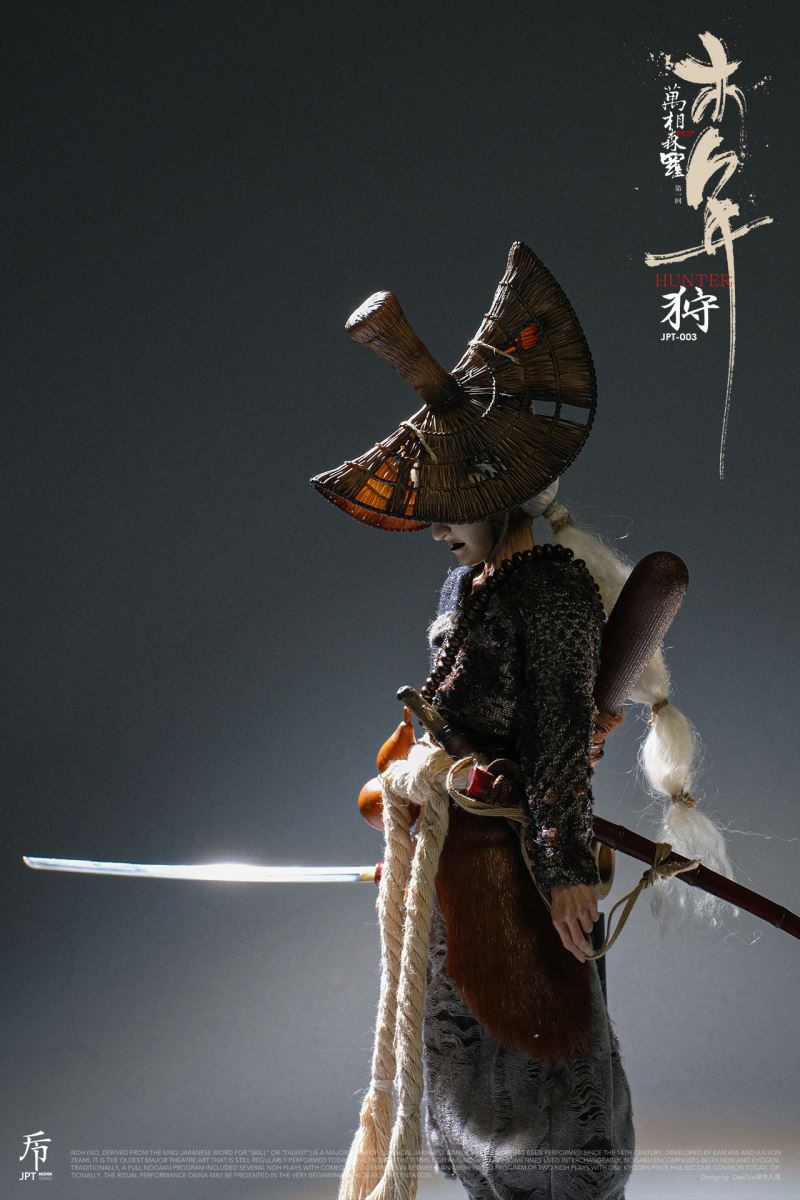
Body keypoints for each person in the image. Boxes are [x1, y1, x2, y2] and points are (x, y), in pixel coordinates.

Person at [311, 242, 728, 1200]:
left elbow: (557, 743)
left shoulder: (552, 593)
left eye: (450, 511)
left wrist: (567, 872)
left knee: (547, 1085)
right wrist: (413, 805)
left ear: (499, 501)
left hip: (524, 863)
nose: (437, 529)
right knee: (459, 1081)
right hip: (456, 853)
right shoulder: (467, 586)